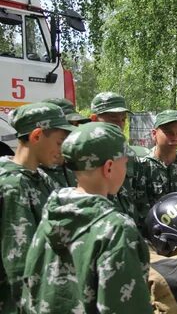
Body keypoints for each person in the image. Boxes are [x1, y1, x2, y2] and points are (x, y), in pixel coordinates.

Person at [21, 122, 152, 313]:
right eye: (124, 163)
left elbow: (31, 286)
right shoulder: (116, 229)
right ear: (108, 168)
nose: (126, 169)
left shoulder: (51, 213)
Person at [0, 102, 75, 313]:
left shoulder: (38, 178)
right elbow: (21, 269)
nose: (64, 150)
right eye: (60, 142)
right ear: (36, 136)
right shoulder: (12, 186)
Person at [135, 110, 177, 224]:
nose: (175, 137)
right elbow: (140, 212)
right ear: (154, 134)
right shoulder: (142, 168)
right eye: (169, 132)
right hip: (153, 234)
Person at [90, 92, 139, 224]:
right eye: (113, 119)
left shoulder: (130, 156)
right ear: (94, 119)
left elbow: (140, 200)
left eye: (123, 119)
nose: (120, 125)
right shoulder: (83, 157)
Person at [39, 98, 82, 188]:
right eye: (68, 125)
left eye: (76, 125)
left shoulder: (74, 165)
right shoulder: (32, 175)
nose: (73, 131)